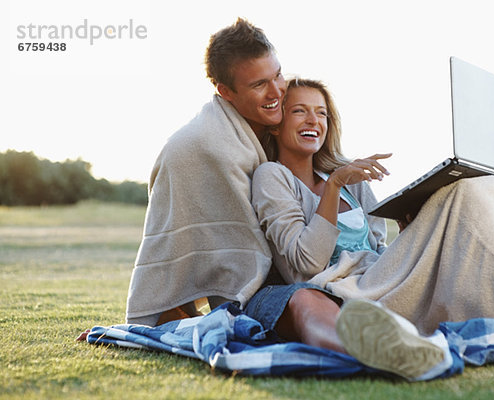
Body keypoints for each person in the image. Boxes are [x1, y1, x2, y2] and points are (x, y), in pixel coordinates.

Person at [123, 19, 443, 379]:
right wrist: (167, 321)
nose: (277, 90)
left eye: (277, 75)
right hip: (290, 287)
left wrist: (409, 235)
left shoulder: (341, 173)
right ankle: (377, 352)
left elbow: (377, 247)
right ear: (224, 91)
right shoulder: (210, 148)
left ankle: (406, 336)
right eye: (260, 84)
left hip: (358, 281)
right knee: (304, 298)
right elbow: (199, 244)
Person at [251, 78, 494, 343]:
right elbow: (304, 268)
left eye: (321, 112)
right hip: (345, 291)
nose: (313, 120)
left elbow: (378, 251)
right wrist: (334, 185)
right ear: (277, 125)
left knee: (484, 186)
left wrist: (410, 231)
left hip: (382, 278)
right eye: (300, 111)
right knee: (466, 193)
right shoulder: (274, 177)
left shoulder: (352, 181)